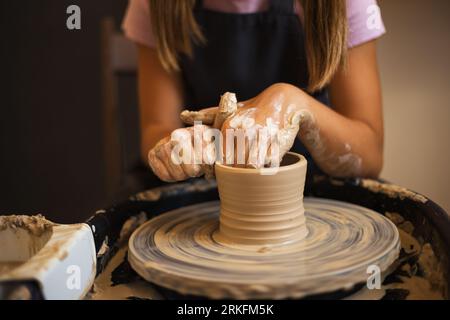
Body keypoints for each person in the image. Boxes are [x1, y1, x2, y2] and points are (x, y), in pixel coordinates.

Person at [122, 0, 385, 184]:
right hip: (201, 185)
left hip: (309, 186)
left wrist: (292, 103)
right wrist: (178, 149)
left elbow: (369, 156)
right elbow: (156, 127)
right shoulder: (158, 4)